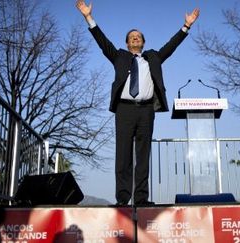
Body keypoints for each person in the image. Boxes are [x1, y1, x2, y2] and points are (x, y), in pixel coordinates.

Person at [76, 0, 200, 206]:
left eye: (138, 37)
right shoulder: (119, 57)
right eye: (132, 37)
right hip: (124, 110)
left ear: (142, 42)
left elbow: (171, 46)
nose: (135, 38)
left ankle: (141, 198)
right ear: (127, 43)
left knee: (143, 156)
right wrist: (88, 17)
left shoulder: (154, 57)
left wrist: (186, 26)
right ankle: (122, 200)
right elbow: (102, 41)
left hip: (146, 111)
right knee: (123, 156)